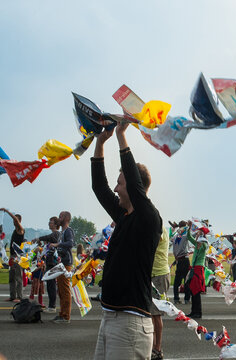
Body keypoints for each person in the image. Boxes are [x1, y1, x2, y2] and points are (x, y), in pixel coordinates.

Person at [91, 121, 162, 360]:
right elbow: (99, 187)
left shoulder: (148, 217)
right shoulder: (124, 216)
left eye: (119, 183)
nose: (115, 187)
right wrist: (100, 143)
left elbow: (131, 178)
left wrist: (121, 135)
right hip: (110, 317)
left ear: (134, 187)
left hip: (131, 323)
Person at [50, 211, 74, 323]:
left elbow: (70, 243)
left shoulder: (68, 231)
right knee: (60, 290)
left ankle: (66, 316)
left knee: (64, 290)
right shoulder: (61, 232)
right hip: (60, 263)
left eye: (61, 216)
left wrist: (57, 244)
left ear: (66, 218)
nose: (59, 218)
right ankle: (62, 313)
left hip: (66, 264)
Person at [150, 226, 170, 360]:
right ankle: (151, 347)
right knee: (150, 313)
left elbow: (151, 243)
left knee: (156, 314)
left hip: (159, 275)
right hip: (152, 274)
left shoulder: (158, 225)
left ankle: (157, 349)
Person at [34, 216, 61, 313]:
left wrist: (39, 238)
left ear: (56, 225)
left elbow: (50, 237)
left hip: (52, 263)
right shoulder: (54, 234)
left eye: (51, 222)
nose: (49, 223)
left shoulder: (56, 234)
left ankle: (52, 306)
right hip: (49, 262)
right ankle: (51, 305)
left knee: (51, 284)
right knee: (50, 284)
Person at [1, 208, 25, 302]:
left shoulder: (21, 230)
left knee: (18, 277)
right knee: (11, 277)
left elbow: (15, 219)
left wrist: (7, 211)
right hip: (12, 256)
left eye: (16, 220)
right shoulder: (15, 230)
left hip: (17, 257)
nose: (14, 221)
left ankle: (19, 297)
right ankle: (12, 296)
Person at [186, 224, 208, 319]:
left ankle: (198, 312)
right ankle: (193, 311)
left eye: (199, 233)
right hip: (194, 269)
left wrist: (202, 236)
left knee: (196, 291)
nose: (197, 234)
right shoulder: (196, 244)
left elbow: (205, 244)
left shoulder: (203, 246)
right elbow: (188, 237)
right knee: (192, 290)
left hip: (198, 269)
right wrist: (189, 228)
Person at [171, 221, 191, 305]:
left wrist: (174, 228)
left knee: (177, 281)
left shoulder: (175, 236)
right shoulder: (185, 235)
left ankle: (176, 298)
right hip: (185, 259)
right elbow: (191, 235)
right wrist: (189, 226)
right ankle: (187, 299)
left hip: (178, 260)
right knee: (187, 281)